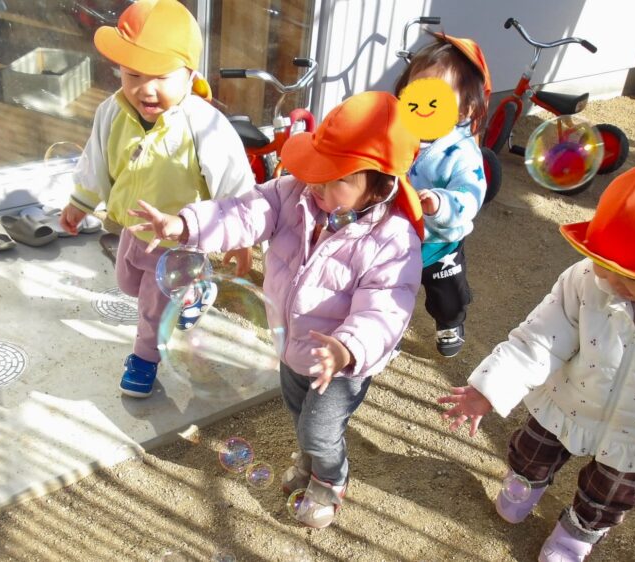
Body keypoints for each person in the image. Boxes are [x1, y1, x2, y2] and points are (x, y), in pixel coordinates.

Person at [128, 91, 424, 529]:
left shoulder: (393, 241)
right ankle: (309, 461)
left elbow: (386, 310)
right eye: (319, 170)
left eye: (338, 179)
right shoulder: (293, 193)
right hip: (292, 344)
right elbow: (241, 213)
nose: (319, 185)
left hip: (341, 362)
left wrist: (346, 349)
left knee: (320, 430)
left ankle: (330, 480)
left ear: (379, 186)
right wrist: (185, 225)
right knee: (298, 413)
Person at [438, 160, 635, 561]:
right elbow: (539, 338)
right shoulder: (584, 281)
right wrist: (489, 388)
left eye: (628, 275)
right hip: (567, 401)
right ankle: (525, 483)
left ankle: (577, 532)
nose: (609, 280)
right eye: (602, 262)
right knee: (532, 451)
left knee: (609, 495)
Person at [58, 0, 254, 398]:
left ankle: (144, 359)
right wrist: (80, 203)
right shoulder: (112, 111)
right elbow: (95, 160)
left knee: (151, 304)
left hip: (180, 239)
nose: (145, 88)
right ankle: (195, 291)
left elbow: (234, 183)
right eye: (132, 74)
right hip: (134, 228)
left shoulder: (205, 125)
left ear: (190, 74)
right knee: (128, 283)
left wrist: (241, 236)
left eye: (161, 77)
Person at [393, 33, 491, 357]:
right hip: (396, 238)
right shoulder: (396, 132)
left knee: (446, 294)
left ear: (465, 108)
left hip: (440, 241)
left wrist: (440, 203)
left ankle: (451, 321)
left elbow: (470, 193)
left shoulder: (461, 152)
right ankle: (385, 329)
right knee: (388, 290)